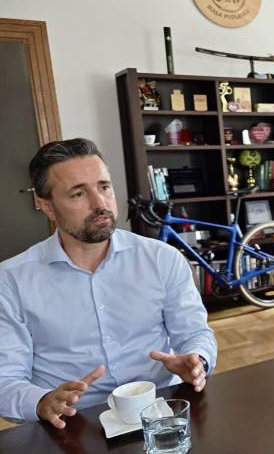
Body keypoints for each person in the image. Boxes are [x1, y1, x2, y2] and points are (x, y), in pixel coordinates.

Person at [0, 138, 217, 429]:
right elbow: (5, 379)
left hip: (159, 414)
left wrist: (197, 361)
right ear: (46, 206)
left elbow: (195, 333)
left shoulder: (162, 259)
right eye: (78, 193)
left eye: (104, 187)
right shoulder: (11, 280)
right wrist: (42, 401)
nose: (100, 204)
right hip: (72, 426)